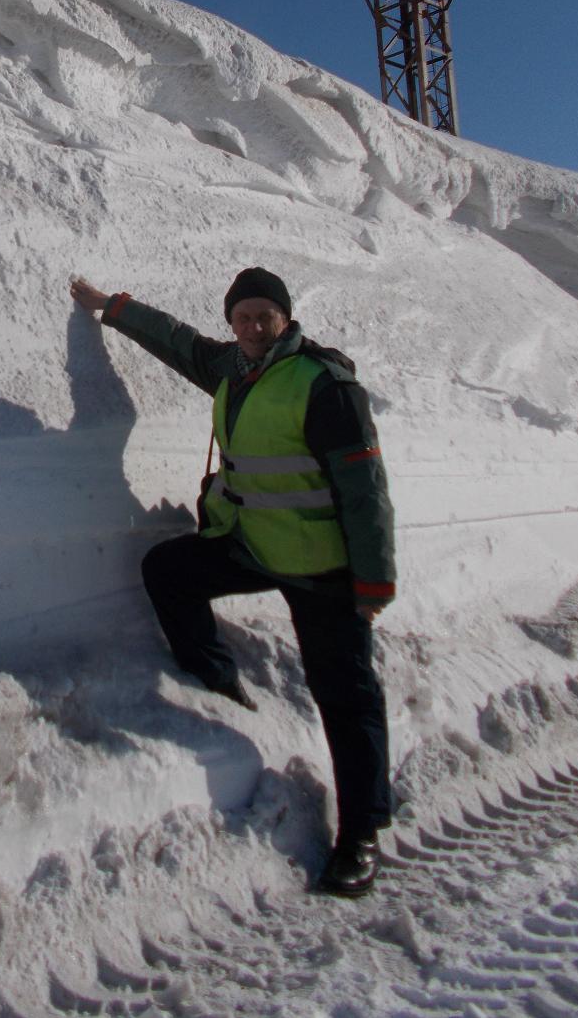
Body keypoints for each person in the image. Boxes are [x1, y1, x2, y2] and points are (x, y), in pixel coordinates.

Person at [69, 268, 395, 897]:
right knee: (167, 572)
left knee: (346, 696)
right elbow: (175, 340)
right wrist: (111, 308)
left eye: (263, 316)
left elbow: (365, 492)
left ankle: (361, 833)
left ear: (285, 319)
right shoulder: (232, 368)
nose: (251, 326)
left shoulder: (323, 385)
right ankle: (216, 680)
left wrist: (373, 581)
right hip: (252, 545)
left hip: (324, 567)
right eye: (241, 316)